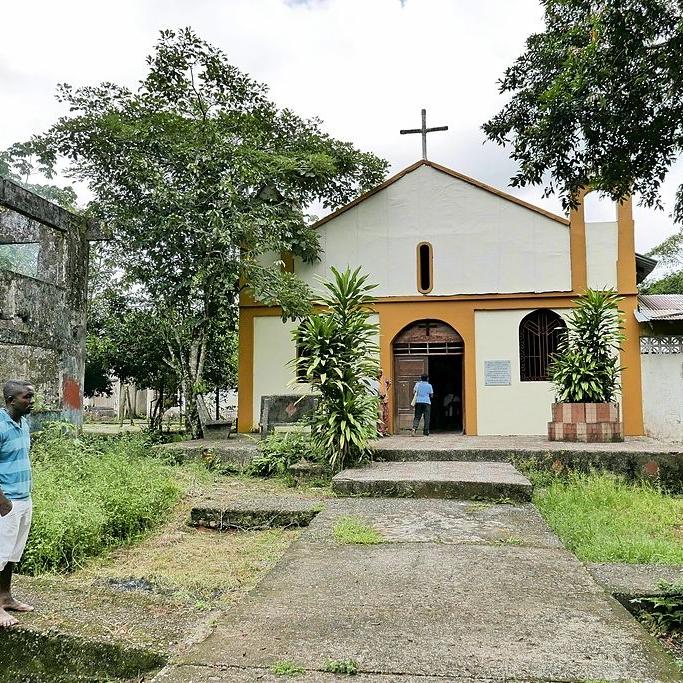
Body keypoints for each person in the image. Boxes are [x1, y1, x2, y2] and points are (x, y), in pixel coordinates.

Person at [0, 380, 35, 628]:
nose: (31, 401)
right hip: (6, 502)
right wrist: (2, 501)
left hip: (23, 499)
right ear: (11, 400)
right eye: (27, 397)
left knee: (12, 554)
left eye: (32, 397)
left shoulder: (23, 424)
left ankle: (5, 597)